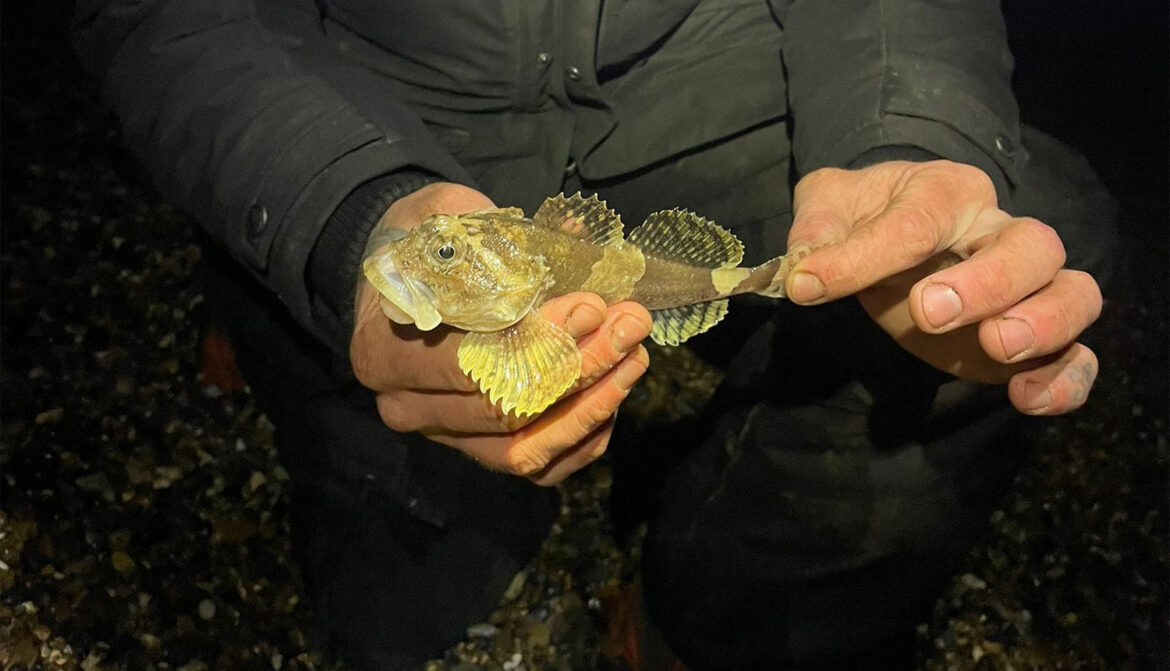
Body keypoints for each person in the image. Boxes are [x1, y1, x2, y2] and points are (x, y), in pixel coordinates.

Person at [73, 0, 1114, 668]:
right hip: (364, 97)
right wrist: (340, 217)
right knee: (395, 592)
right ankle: (269, 313)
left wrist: (909, 131)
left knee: (1026, 238)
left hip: (719, 82)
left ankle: (703, 625)